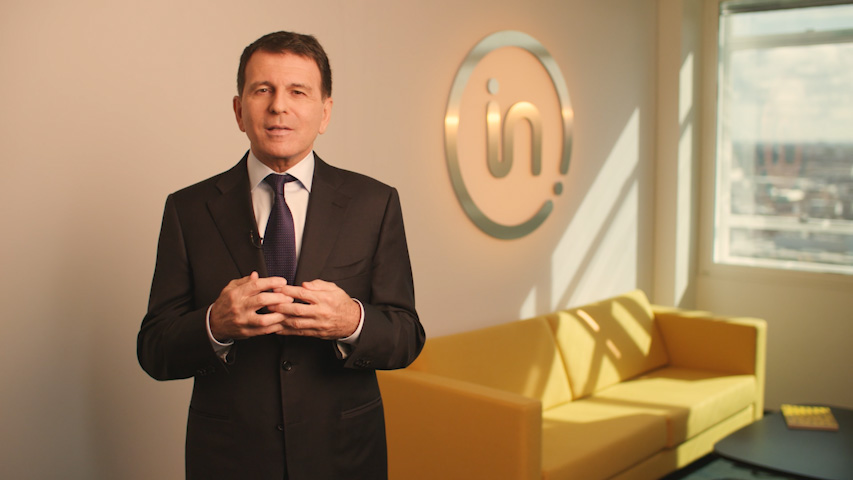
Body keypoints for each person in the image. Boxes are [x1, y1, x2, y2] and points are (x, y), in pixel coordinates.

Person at [137, 31, 425, 480]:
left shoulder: (375, 203)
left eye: (298, 92)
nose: (278, 107)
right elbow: (154, 349)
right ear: (239, 110)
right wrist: (214, 324)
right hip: (229, 460)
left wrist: (351, 321)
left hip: (344, 456)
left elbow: (407, 336)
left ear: (325, 112)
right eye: (263, 90)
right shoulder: (187, 209)